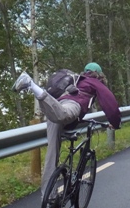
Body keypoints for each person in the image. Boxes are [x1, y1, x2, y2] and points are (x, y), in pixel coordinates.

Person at [12, 62, 122, 196]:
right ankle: (31, 84)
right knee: (63, 115)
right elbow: (110, 103)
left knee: (52, 154)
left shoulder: (76, 79)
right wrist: (115, 123)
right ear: (99, 74)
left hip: (57, 103)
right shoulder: (94, 82)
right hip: (72, 105)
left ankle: (48, 197)